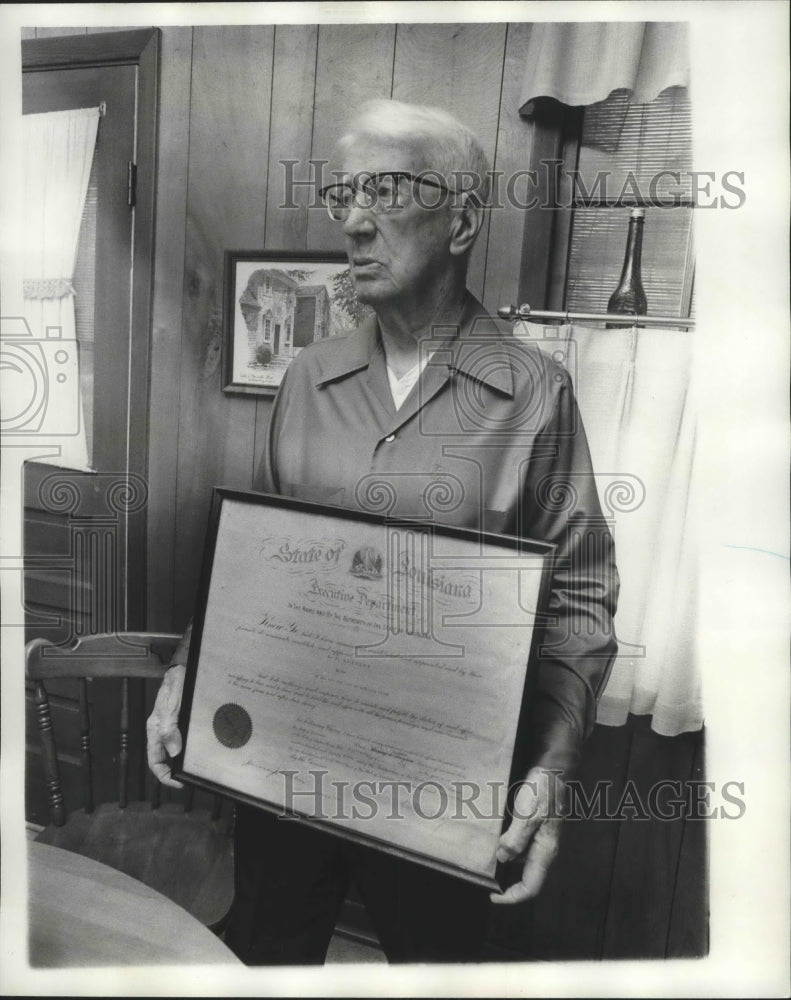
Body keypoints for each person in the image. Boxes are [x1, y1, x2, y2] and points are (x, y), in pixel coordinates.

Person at [147, 99, 619, 964]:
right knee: (265, 952)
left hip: (444, 787)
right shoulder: (310, 375)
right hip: (285, 764)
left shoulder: (534, 392)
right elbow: (255, 572)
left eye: (387, 191)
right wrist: (189, 667)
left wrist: (548, 770)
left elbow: (580, 605)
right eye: (342, 194)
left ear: (465, 216)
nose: (354, 222)